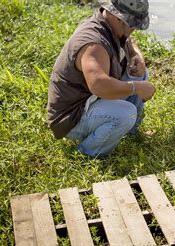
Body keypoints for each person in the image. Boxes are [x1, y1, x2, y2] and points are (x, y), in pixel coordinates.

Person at [47, 0, 155, 158]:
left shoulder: (111, 26)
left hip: (92, 99)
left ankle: (131, 132)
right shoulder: (94, 44)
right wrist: (136, 88)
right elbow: (98, 85)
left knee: (140, 74)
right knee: (126, 113)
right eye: (132, 25)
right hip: (72, 116)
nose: (133, 30)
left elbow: (130, 43)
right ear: (119, 18)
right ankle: (89, 154)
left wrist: (137, 57)